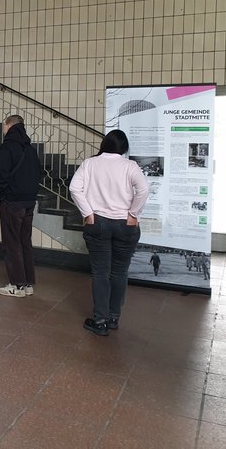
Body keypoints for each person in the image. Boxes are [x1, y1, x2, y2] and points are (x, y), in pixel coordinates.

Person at [69, 129, 149, 336]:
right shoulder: (130, 166)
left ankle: (100, 320)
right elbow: (144, 190)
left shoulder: (90, 164)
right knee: (120, 272)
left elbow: (74, 188)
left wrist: (87, 213)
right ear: (124, 148)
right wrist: (133, 213)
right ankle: (113, 318)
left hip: (98, 223)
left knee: (100, 273)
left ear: (104, 144)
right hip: (125, 224)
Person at [0, 115, 42, 298]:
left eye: (3, 126)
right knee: (25, 242)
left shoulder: (7, 148)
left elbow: (1, 175)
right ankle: (28, 283)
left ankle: (16, 285)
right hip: (29, 202)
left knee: (11, 243)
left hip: (12, 202)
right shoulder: (30, 149)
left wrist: (3, 195)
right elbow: (39, 172)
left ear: (8, 125)